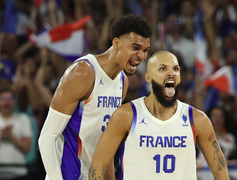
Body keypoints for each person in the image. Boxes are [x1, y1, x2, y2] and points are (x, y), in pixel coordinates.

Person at [38, 14, 152, 180]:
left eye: (145, 50)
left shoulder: (122, 82)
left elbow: (107, 143)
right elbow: (47, 137)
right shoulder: (83, 72)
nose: (141, 56)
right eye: (135, 48)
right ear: (116, 43)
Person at [89, 51, 230, 180]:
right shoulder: (127, 115)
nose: (171, 73)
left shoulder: (197, 119)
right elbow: (97, 166)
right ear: (148, 77)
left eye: (175, 69)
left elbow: (221, 173)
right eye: (163, 69)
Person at [0, 89, 32, 180]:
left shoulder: (23, 119)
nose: (7, 102)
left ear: (14, 102)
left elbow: (26, 148)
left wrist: (11, 136)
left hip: (19, 172)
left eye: (10, 98)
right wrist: (1, 136)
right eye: (4, 99)